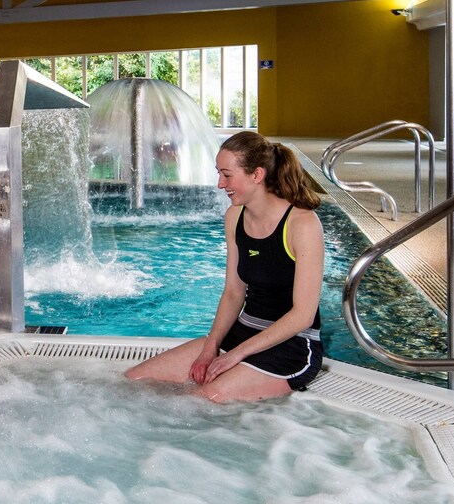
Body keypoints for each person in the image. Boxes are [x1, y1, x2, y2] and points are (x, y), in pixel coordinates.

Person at [125, 131, 324, 402]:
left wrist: (236, 355)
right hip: (243, 332)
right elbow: (233, 291)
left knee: (203, 400)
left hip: (292, 345)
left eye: (227, 175)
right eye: (219, 173)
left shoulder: (302, 224)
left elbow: (303, 315)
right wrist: (212, 346)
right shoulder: (234, 217)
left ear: (257, 174)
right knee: (134, 382)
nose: (220, 184)